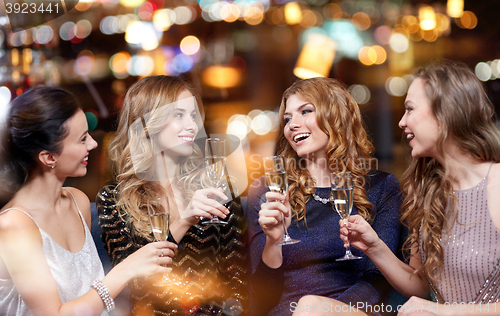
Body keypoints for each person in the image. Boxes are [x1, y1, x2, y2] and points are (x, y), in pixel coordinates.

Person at [295, 60, 500, 316]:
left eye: (410, 109)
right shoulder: (425, 191)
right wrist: (374, 248)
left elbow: (432, 306)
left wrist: (443, 312)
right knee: (311, 307)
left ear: (445, 112)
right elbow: (420, 286)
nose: (402, 122)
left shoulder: (496, 184)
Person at [0, 86, 177, 316]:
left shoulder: (78, 201)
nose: (93, 144)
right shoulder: (14, 225)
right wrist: (126, 269)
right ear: (48, 157)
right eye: (83, 139)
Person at [246, 77, 404, 316]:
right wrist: (273, 242)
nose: (292, 125)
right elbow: (259, 300)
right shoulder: (268, 192)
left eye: (305, 111)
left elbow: (379, 281)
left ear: (336, 116)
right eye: (287, 118)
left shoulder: (381, 187)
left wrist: (321, 310)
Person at [97, 75, 248, 315]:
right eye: (179, 115)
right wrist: (185, 221)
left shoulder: (216, 187)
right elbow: (135, 286)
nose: (192, 126)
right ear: (148, 122)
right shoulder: (114, 200)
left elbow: (238, 278)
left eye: (193, 115)